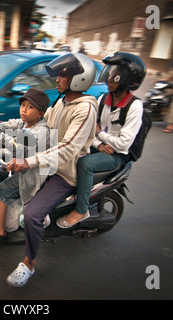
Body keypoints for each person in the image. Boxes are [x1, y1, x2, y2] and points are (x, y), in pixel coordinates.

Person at [4, 53, 98, 287]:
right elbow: (40, 125)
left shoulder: (84, 109)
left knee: (33, 215)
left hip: (63, 172)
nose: (57, 79)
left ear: (79, 79)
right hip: (46, 164)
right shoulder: (60, 102)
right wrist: (6, 131)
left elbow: (67, 149)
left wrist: (28, 162)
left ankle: (29, 263)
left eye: (63, 75)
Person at [57, 52, 146, 229]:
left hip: (118, 155)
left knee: (85, 164)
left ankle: (81, 209)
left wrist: (101, 135)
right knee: (67, 153)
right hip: (101, 146)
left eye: (115, 75)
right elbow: (90, 130)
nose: (109, 78)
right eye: (109, 72)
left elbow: (123, 144)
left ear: (128, 80)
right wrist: (100, 143)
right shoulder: (103, 99)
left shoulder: (135, 106)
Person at [0, 88, 50, 256]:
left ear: (41, 113)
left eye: (30, 107)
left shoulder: (41, 131)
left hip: (31, 174)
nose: (23, 109)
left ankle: (0, 234)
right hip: (17, 164)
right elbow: (5, 126)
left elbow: (17, 145)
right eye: (23, 105)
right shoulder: (25, 123)